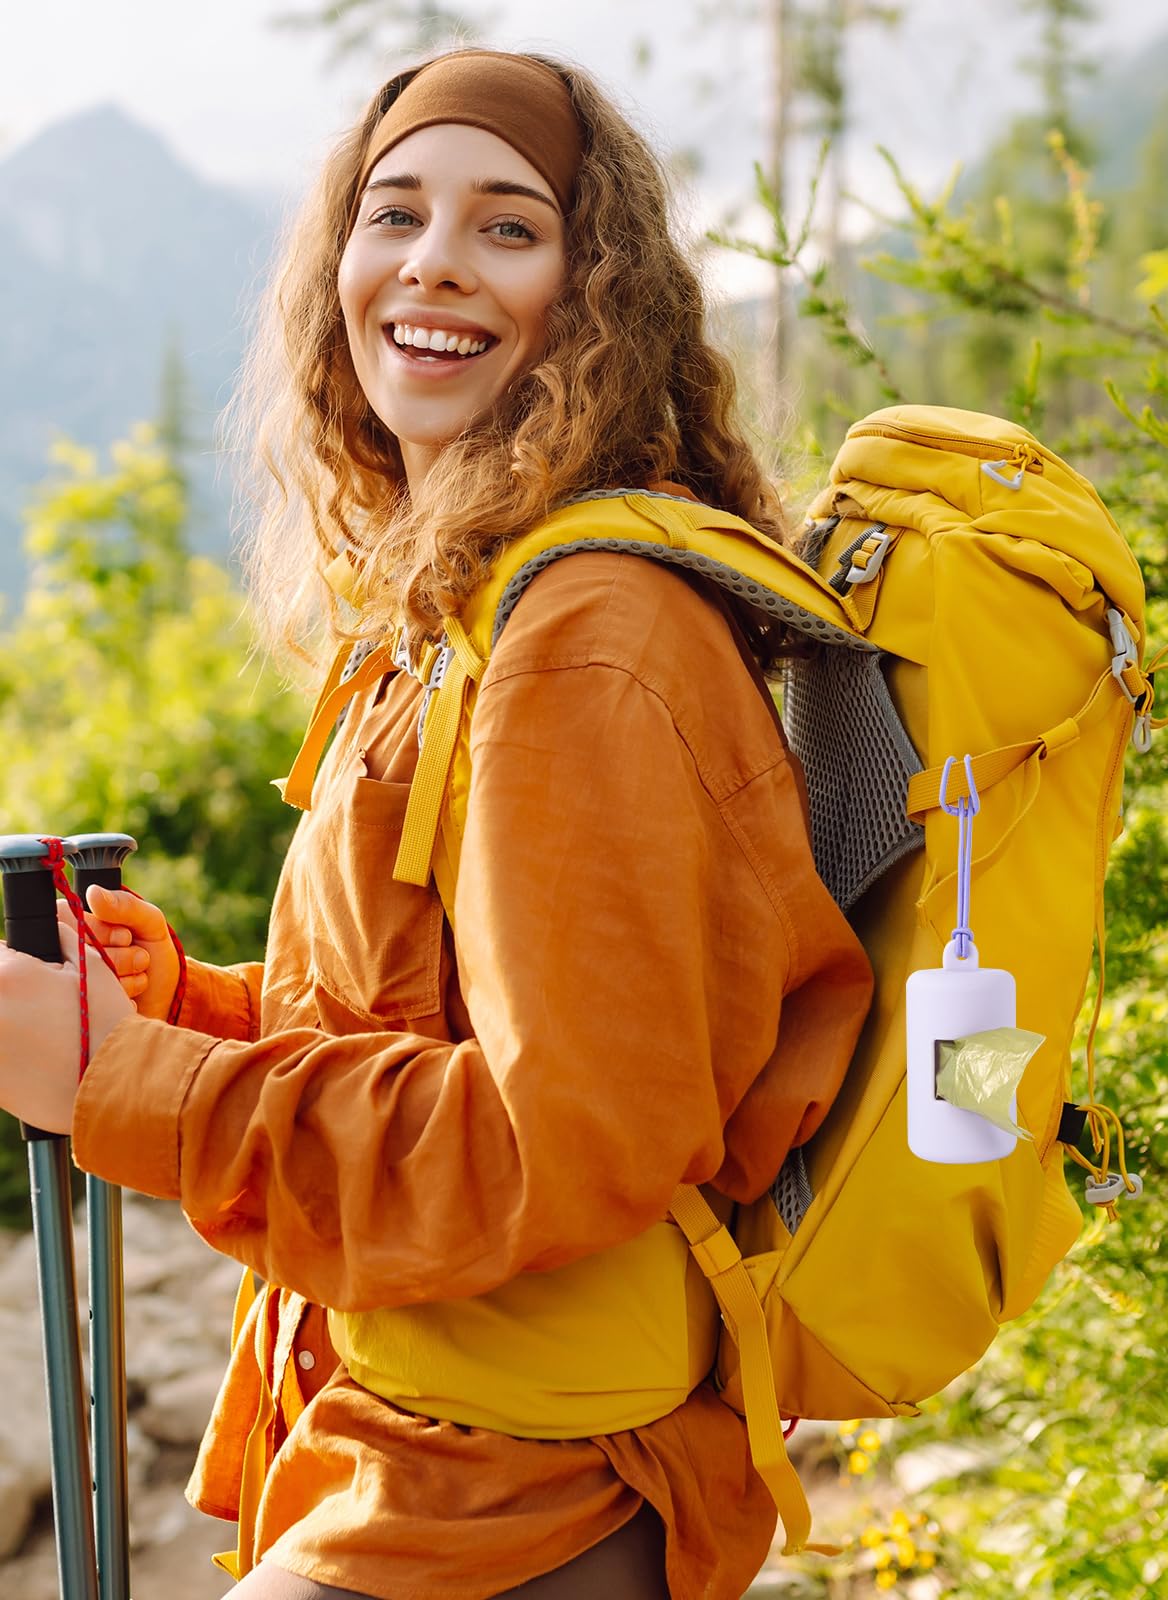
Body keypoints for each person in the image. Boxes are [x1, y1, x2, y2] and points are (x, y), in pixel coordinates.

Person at [0, 48, 873, 1600]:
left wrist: (125, 1084)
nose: (433, 262)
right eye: (393, 210)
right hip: (425, 1440)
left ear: (593, 292)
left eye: (507, 227)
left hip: (511, 1501)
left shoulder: (584, 636)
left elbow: (567, 1142)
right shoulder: (466, 604)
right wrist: (179, 1013)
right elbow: (439, 1024)